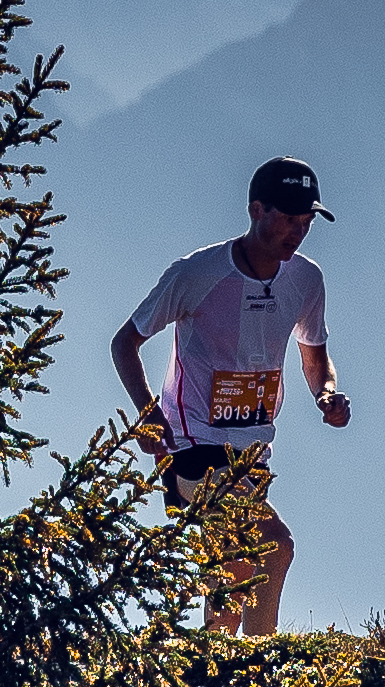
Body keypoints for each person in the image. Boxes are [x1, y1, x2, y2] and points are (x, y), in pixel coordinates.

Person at [112, 156, 350, 636]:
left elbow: (314, 355)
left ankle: (212, 681)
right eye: (287, 218)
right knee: (273, 544)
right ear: (256, 210)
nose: (297, 231)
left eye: (305, 221)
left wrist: (326, 394)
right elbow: (125, 343)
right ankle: (264, 665)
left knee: (232, 576)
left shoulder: (306, 280)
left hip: (254, 450)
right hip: (192, 444)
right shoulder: (197, 273)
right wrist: (146, 413)